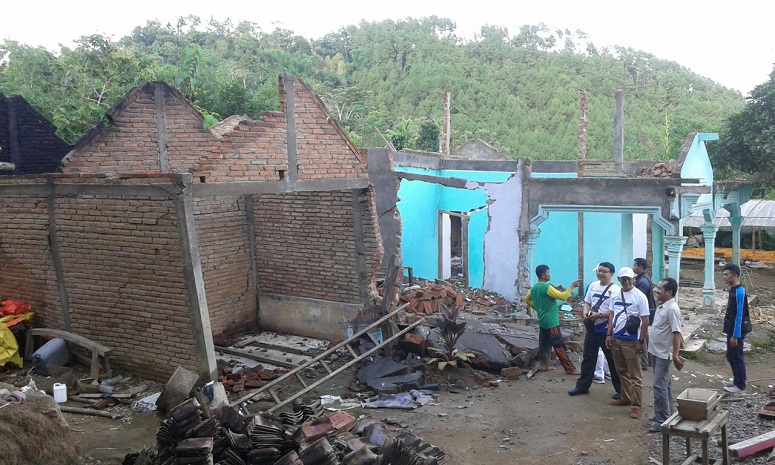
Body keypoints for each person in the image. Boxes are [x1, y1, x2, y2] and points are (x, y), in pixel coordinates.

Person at [568, 262, 622, 397]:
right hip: (592, 327)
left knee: (612, 360)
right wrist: (586, 313)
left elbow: (616, 312)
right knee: (588, 358)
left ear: (612, 274)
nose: (601, 273)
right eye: (599, 270)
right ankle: (582, 386)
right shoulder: (592, 286)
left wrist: (600, 315)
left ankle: (620, 390)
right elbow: (587, 302)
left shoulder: (616, 290)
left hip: (606, 329)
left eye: (604, 271)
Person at [606, 266, 650, 419]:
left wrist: (641, 341)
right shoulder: (616, 294)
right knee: (621, 371)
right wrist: (609, 334)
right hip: (617, 338)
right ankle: (626, 397)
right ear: (619, 279)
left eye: (628, 279)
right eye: (623, 279)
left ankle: (636, 405)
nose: (626, 281)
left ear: (633, 279)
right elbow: (612, 314)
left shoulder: (639, 296)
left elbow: (645, 320)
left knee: (635, 375)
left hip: (631, 341)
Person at [525, 265, 581, 376]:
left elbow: (527, 299)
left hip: (542, 320)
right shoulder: (546, 288)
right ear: (543, 275)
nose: (550, 274)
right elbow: (562, 296)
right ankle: (569, 368)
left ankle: (544, 365)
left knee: (544, 344)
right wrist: (572, 286)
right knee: (558, 344)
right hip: (552, 322)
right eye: (548, 272)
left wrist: (538, 307)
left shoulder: (534, 288)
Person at [647, 277, 684, 433]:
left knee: (659, 385)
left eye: (660, 289)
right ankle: (665, 414)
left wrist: (675, 356)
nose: (657, 291)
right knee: (665, 385)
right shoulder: (663, 306)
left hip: (663, 354)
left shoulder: (672, 309)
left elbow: (676, 333)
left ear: (669, 292)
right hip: (656, 351)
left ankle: (663, 420)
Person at [722, 264, 750, 393]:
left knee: (737, 356)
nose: (724, 277)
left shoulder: (739, 292)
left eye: (726, 274)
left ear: (734, 275)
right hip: (731, 328)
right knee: (730, 356)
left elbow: (739, 314)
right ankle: (736, 380)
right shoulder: (733, 290)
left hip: (736, 330)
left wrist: (735, 335)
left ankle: (740, 385)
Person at [633, 258, 656, 370]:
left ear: (640, 267)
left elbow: (639, 299)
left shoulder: (642, 282)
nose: (633, 268)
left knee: (642, 337)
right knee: (645, 336)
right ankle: (649, 361)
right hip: (647, 311)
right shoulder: (643, 278)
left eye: (634, 265)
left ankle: (644, 363)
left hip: (643, 313)